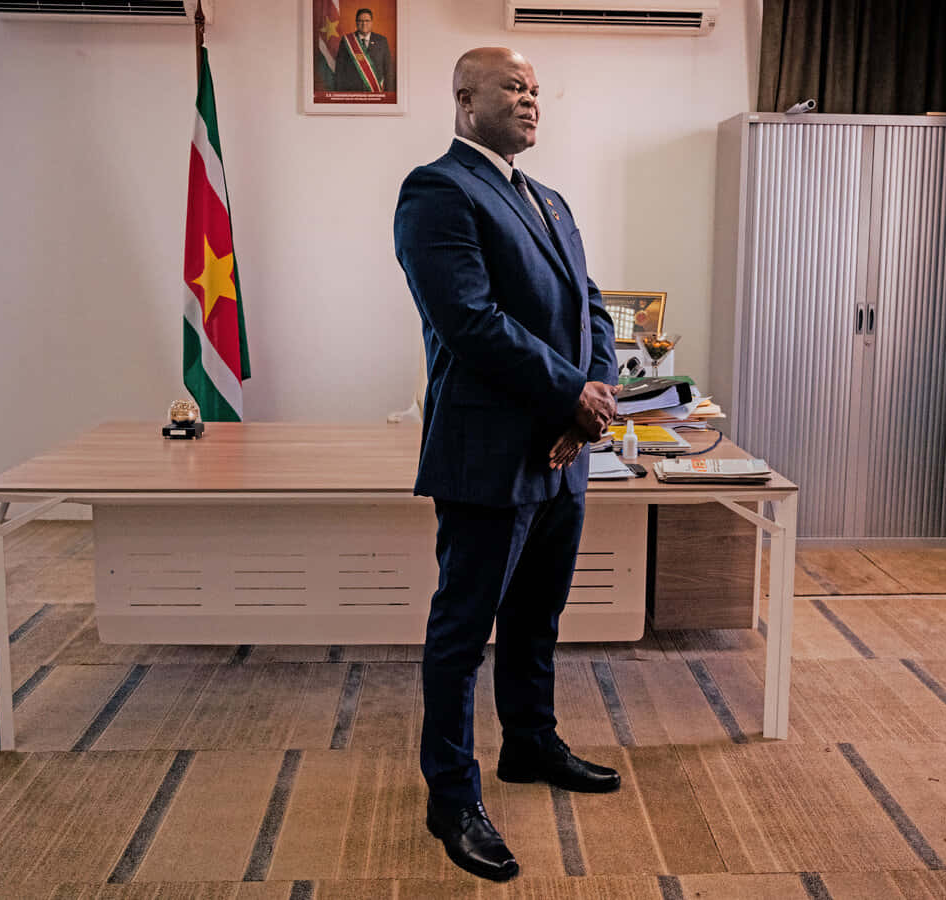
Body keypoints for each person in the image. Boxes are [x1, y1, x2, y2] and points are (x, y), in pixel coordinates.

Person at [393, 47, 622, 882]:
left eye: (534, 89)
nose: (530, 100)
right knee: (463, 632)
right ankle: (452, 797)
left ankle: (528, 744)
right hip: (488, 452)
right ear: (465, 99)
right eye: (512, 87)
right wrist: (570, 396)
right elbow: (470, 320)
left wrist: (592, 398)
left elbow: (592, 305)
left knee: (535, 617)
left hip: (562, 454)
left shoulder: (549, 198)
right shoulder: (437, 191)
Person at [332, 7, 394, 93]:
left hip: (376, 92)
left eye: (367, 21)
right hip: (352, 93)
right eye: (360, 21)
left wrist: (389, 94)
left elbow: (388, 70)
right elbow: (340, 70)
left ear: (371, 22)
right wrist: (340, 94)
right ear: (356, 22)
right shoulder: (347, 41)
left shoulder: (381, 41)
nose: (364, 24)